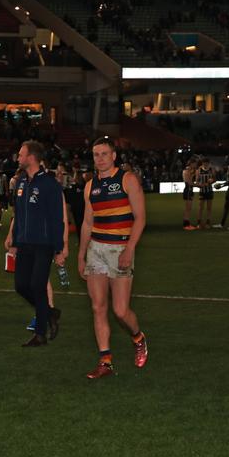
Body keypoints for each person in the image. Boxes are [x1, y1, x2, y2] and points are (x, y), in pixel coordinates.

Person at [79, 137, 148, 378]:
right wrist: (81, 254)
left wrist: (130, 249)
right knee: (98, 307)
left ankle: (138, 337)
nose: (100, 158)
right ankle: (105, 362)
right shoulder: (90, 185)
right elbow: (88, 222)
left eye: (104, 154)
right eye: (96, 154)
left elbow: (140, 218)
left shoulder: (127, 180)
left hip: (120, 249)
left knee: (120, 310)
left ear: (114, 156)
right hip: (96, 249)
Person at [5, 140, 67, 347]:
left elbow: (57, 218)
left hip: (44, 244)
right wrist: (14, 239)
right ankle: (50, 314)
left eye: (21, 154)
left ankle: (40, 334)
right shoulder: (21, 182)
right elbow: (19, 214)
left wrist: (59, 248)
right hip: (24, 243)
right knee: (21, 285)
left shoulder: (50, 184)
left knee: (37, 286)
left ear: (31, 157)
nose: (18, 158)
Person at [194, 158, 215, 229]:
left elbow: (215, 179)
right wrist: (201, 185)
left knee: (209, 208)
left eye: (207, 163)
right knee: (200, 208)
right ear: (202, 163)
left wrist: (212, 181)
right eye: (204, 163)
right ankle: (199, 223)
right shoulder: (198, 170)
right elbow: (196, 182)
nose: (205, 164)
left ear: (208, 163)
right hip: (202, 191)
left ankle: (208, 223)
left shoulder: (211, 169)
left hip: (209, 191)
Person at [181, 158, 196, 230]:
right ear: (191, 164)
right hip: (188, 190)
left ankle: (187, 223)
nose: (195, 165)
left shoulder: (190, 171)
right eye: (194, 164)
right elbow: (189, 183)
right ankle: (186, 225)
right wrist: (199, 185)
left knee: (189, 208)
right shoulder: (186, 171)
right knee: (188, 208)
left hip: (189, 190)